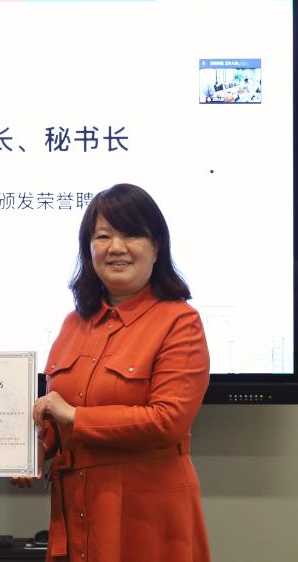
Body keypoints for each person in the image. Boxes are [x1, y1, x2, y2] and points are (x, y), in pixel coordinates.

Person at [14, 183, 210, 561]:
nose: (116, 247)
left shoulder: (180, 321)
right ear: (89, 249)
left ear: (156, 246)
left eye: (131, 234)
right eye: (103, 236)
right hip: (78, 506)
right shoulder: (73, 324)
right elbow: (56, 417)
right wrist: (36, 449)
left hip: (147, 517)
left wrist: (75, 417)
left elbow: (168, 420)